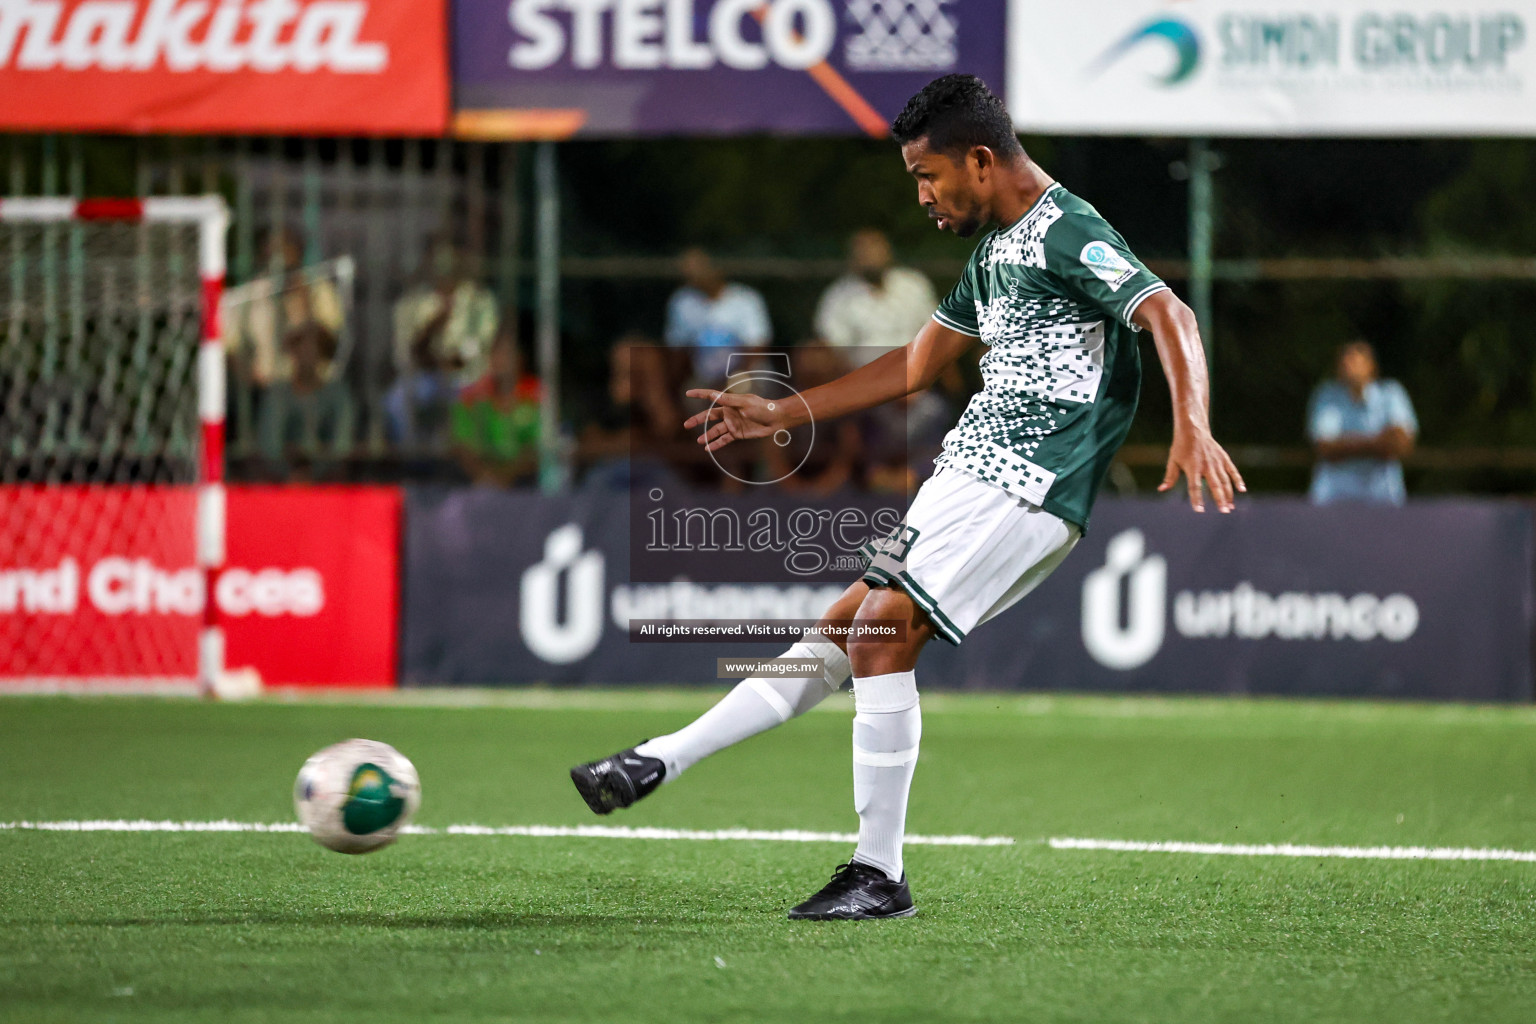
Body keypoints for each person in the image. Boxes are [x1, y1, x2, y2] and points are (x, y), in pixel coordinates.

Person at [570, 75, 1243, 920]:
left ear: (981, 159)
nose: (922, 196)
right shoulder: (994, 252)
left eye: (928, 177)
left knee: (884, 631)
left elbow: (1167, 311)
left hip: (1027, 478)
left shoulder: (1065, 229)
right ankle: (660, 760)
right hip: (963, 474)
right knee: (846, 626)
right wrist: (784, 411)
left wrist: (1193, 423)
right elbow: (916, 366)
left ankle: (877, 874)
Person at [387, 241, 499, 445]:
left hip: (467, 378)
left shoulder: (480, 301)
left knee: (472, 399)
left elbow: (480, 351)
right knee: (397, 400)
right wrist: (431, 328)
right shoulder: (410, 302)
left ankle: (464, 459)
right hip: (423, 378)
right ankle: (413, 460)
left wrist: (451, 364)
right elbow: (403, 356)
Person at [1307, 341, 1417, 506]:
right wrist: (1380, 443)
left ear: (1371, 366)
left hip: (1383, 495)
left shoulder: (1391, 393)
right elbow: (1325, 447)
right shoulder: (1326, 395)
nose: (1348, 367)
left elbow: (1402, 444)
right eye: (1344, 362)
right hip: (1334, 494)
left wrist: (1344, 444)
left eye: (1354, 361)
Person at [815, 229, 938, 365]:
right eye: (863, 250)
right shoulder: (838, 296)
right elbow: (833, 347)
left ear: (888, 252)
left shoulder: (914, 285)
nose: (869, 255)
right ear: (852, 258)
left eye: (874, 247)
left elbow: (935, 335)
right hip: (864, 378)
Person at [256, 321, 354, 480]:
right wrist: (290, 473)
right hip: (283, 484)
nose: (307, 356)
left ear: (324, 354)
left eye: (314, 349)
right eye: (301, 348)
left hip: (328, 485)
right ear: (292, 352)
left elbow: (341, 446)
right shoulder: (278, 394)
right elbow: (270, 446)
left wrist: (315, 473)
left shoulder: (338, 396)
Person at [664, 248, 771, 383]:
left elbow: (757, 346)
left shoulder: (746, 298)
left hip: (746, 374)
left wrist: (737, 379)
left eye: (698, 267)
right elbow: (678, 350)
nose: (693, 274)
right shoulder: (682, 300)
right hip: (702, 377)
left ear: (716, 268)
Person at [449, 331, 541, 487]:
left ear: (520, 359)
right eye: (495, 353)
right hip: (479, 485)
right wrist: (484, 475)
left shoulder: (534, 397)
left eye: (506, 354)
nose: (500, 360)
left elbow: (538, 447)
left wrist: (507, 476)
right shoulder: (471, 399)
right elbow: (460, 445)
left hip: (524, 486)